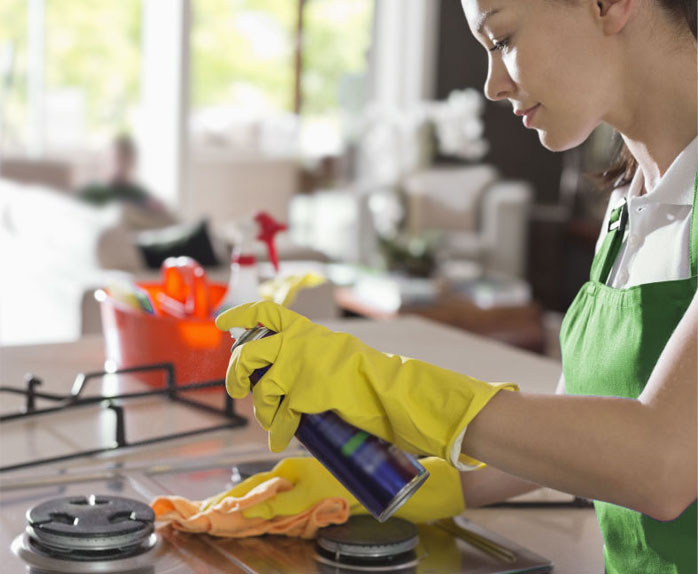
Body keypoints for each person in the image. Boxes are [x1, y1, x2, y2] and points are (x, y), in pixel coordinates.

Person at [215, 1, 697, 571]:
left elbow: (662, 464)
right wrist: (405, 483)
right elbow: (588, 426)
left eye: (503, 38)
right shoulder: (632, 206)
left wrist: (382, 385)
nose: (493, 84)